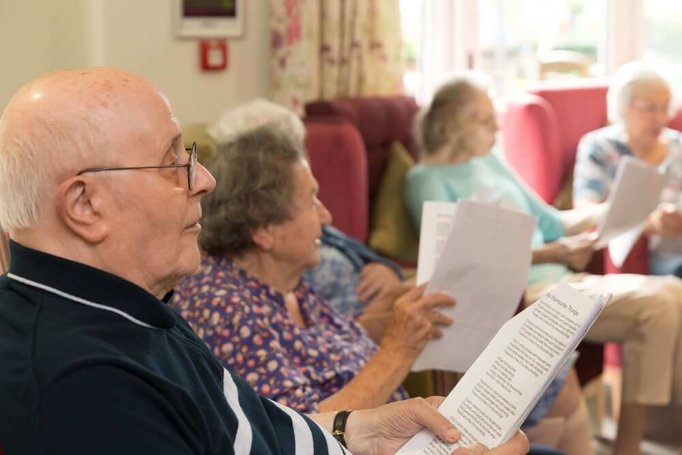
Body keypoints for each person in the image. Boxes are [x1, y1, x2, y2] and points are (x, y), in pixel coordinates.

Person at [0, 67, 530, 455]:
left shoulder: (124, 307)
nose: (203, 180)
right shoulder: (86, 385)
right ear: (85, 205)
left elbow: (252, 430)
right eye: (172, 163)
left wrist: (357, 433)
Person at [403, 72, 682, 455]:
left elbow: (551, 221)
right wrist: (555, 252)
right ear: (455, 124)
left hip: (562, 278)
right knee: (662, 301)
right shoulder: (426, 178)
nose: (498, 127)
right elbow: (461, 258)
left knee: (670, 294)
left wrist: (622, 213)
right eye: (486, 120)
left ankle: (632, 442)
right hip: (522, 294)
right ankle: (631, 445)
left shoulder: (492, 163)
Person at [172, 124, 455, 413]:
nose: (326, 216)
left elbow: (314, 355)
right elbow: (301, 432)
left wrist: (377, 324)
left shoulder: (283, 282)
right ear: (264, 228)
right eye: (311, 201)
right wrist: (398, 349)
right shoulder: (225, 307)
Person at [207, 99, 405, 321]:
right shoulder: (254, 280)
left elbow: (354, 249)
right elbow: (324, 340)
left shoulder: (302, 214)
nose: (325, 217)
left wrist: (386, 269)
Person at [574, 61, 682, 277]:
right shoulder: (600, 148)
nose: (660, 118)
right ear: (622, 106)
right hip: (646, 257)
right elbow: (585, 211)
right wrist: (647, 223)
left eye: (665, 108)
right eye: (650, 108)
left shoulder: (678, 145)